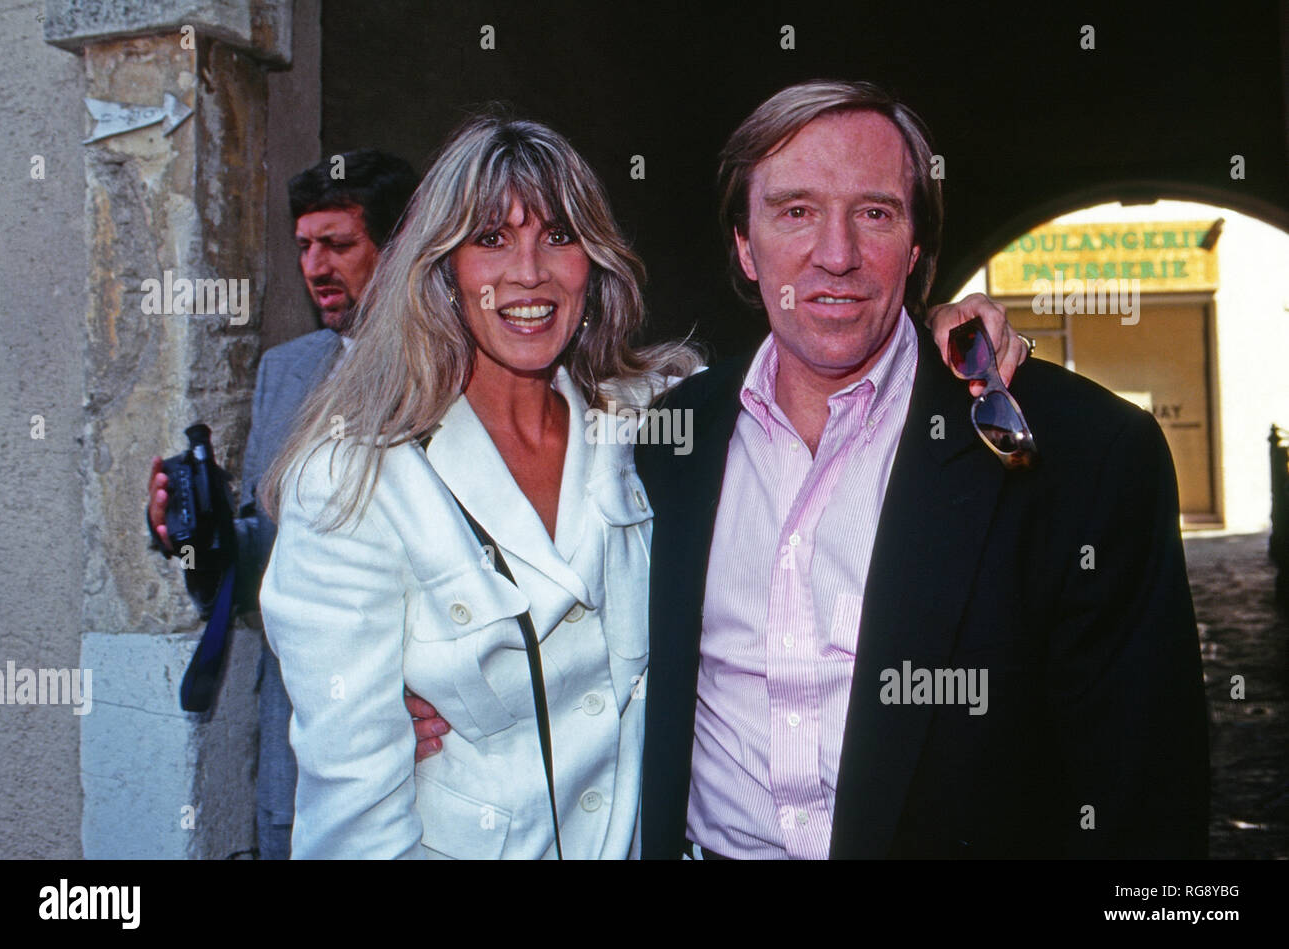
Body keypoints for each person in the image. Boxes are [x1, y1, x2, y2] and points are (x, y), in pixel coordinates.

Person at [257, 110, 1021, 859]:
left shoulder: (653, 420)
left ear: (592, 263)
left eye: (558, 236)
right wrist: (369, 708)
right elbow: (351, 818)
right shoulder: (351, 481)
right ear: (443, 270)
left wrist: (943, 328)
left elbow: (847, 356)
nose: (529, 272)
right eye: (490, 239)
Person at [636, 79, 1210, 859]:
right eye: (796, 211)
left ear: (915, 247)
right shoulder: (666, 441)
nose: (835, 255)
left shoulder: (1083, 455)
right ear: (744, 242)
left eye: (873, 212)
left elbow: (1144, 801)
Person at [145, 149, 423, 859]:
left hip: (420, 734)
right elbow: (258, 561)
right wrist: (193, 534)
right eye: (304, 246)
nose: (316, 266)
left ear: (398, 247)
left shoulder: (453, 368)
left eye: (338, 244)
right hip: (297, 741)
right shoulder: (286, 370)